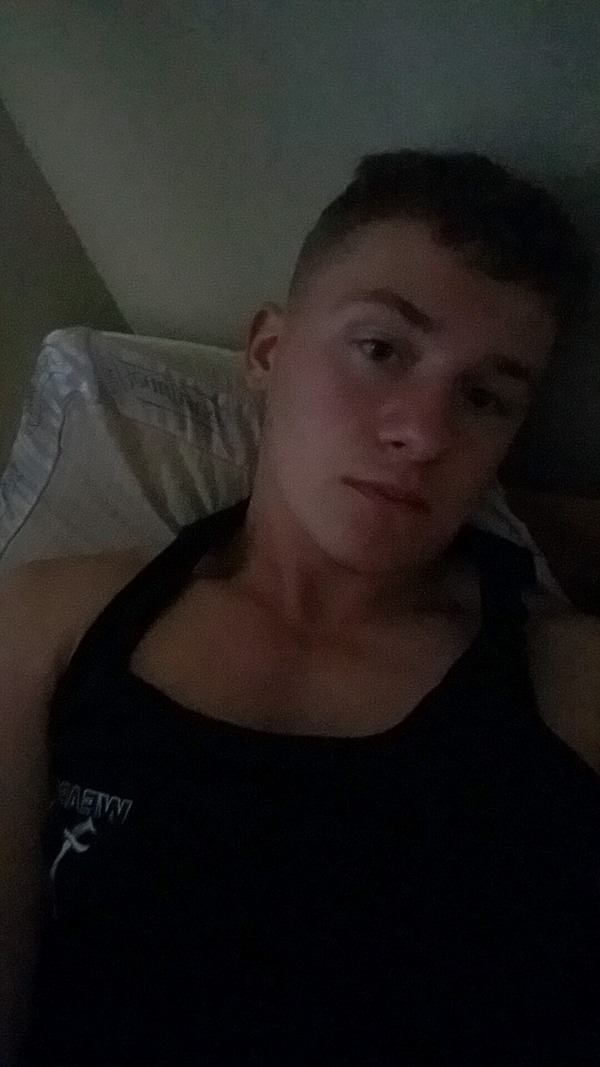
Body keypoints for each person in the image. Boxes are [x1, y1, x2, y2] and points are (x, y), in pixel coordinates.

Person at [2, 150, 599, 1066]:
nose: (423, 432)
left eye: (484, 397)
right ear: (267, 352)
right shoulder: (50, 625)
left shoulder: (568, 684)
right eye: (381, 349)